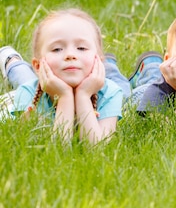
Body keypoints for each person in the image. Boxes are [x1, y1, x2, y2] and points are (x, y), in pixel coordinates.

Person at [0, 9, 123, 144]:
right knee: (23, 77)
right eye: (57, 49)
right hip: (36, 88)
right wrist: (64, 97)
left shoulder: (110, 92)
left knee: (124, 88)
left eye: (81, 48)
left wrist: (83, 95)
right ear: (38, 65)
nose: (70, 54)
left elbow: (97, 149)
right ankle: (12, 62)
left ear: (98, 61)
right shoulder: (27, 93)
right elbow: (55, 152)